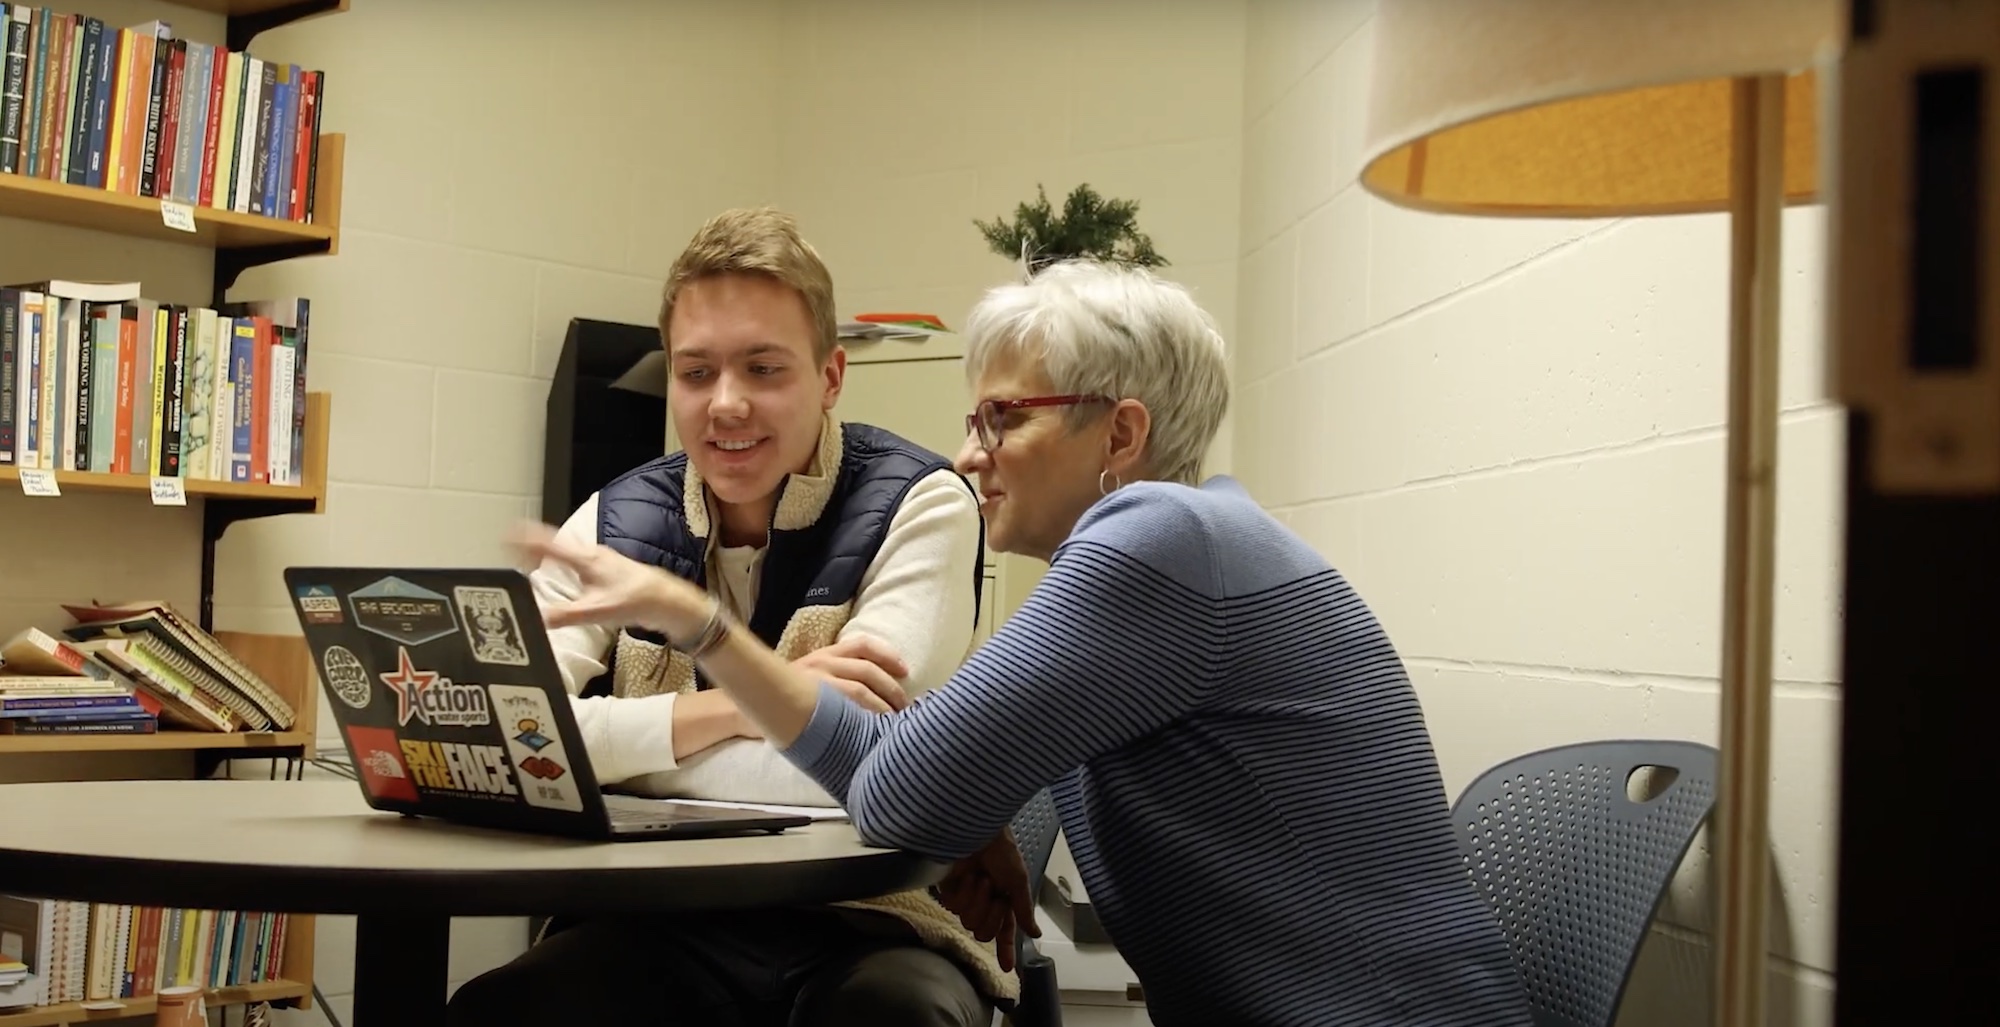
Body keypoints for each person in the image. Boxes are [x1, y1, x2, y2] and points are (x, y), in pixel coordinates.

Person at [511, 259, 1542, 1027]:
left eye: (1002, 417)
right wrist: (969, 801)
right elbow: (927, 774)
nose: (969, 452)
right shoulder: (1195, 538)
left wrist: (702, 627)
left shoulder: (1155, 543)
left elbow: (898, 788)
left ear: (1121, 436)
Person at [446, 208, 1007, 1027]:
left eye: (764, 368)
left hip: (873, 918)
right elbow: (506, 739)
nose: (726, 404)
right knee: (499, 1010)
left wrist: (611, 750)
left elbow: (866, 778)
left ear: (831, 377)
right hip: (658, 918)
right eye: (696, 372)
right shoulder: (612, 518)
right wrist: (748, 704)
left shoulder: (921, 504)